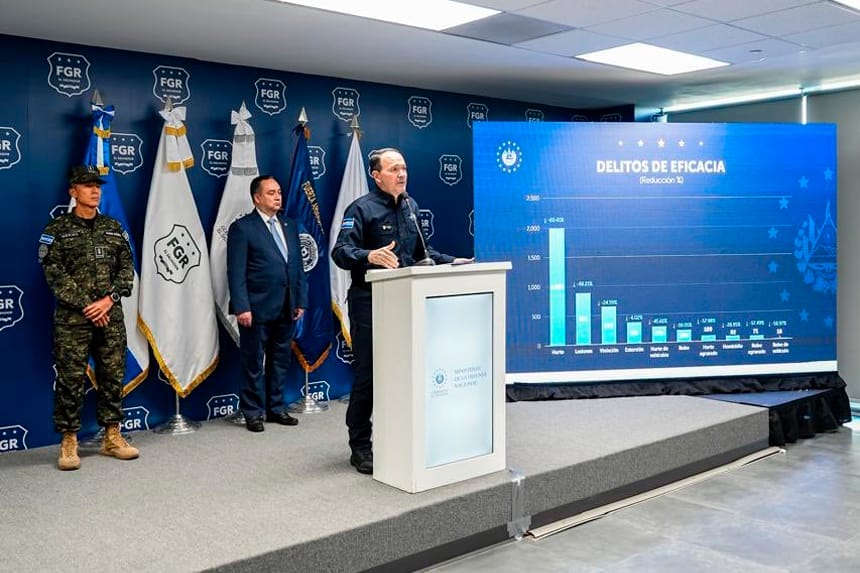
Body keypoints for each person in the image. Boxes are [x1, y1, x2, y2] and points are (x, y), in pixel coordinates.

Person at [332, 148, 471, 474]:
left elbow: (422, 254)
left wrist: (454, 261)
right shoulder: (361, 209)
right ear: (376, 175)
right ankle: (360, 447)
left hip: (407, 301)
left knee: (409, 372)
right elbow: (341, 251)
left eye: (404, 168)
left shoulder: (411, 206)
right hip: (370, 302)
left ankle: (403, 438)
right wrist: (369, 256)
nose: (402, 174)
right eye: (394, 169)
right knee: (369, 376)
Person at [39, 165, 140, 471]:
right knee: (70, 379)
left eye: (97, 185)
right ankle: (69, 440)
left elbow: (127, 268)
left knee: (112, 376)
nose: (95, 190)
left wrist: (108, 301)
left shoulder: (113, 227)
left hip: (110, 316)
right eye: (87, 185)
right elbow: (54, 273)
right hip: (73, 321)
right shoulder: (56, 230)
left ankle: (112, 436)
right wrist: (88, 305)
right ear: (73, 191)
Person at [227, 175, 307, 432]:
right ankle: (252, 412)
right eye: (271, 193)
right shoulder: (242, 228)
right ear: (257, 198)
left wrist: (300, 300)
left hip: (287, 305)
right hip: (256, 307)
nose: (277, 197)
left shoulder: (289, 224)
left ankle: (276, 408)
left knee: (280, 360)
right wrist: (242, 307)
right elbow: (235, 272)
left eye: (279, 192)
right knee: (253, 362)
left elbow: (297, 267)